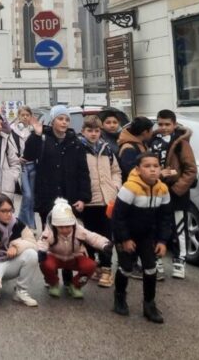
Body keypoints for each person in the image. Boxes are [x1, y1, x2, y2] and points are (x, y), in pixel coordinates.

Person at [112, 152, 173, 323]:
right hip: (127, 235)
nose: (152, 170)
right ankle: (119, 297)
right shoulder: (130, 188)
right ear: (138, 170)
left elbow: (165, 217)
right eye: (147, 166)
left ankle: (149, 304)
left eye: (156, 166)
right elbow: (118, 216)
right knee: (125, 267)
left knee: (150, 268)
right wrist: (124, 239)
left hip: (148, 237)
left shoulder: (163, 189)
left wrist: (162, 240)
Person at [148, 109, 197, 280]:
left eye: (167, 124)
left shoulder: (181, 143)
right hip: (156, 192)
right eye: (160, 124)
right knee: (155, 226)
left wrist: (177, 189)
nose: (164, 127)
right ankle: (157, 261)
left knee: (179, 228)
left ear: (174, 124)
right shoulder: (152, 141)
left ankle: (179, 260)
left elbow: (191, 170)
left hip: (177, 194)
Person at [37, 198, 111, 299]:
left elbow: (92, 237)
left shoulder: (78, 230)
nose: (65, 229)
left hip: (74, 257)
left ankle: (75, 285)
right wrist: (41, 251)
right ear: (55, 225)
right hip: (55, 257)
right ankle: (53, 283)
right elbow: (42, 242)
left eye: (68, 226)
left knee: (91, 265)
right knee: (45, 263)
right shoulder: (50, 232)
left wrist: (105, 244)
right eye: (61, 227)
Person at [79, 115, 121, 287]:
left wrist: (116, 186)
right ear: (83, 132)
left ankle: (106, 269)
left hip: (106, 200)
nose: (94, 134)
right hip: (89, 200)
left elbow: (116, 170)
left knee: (105, 236)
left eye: (96, 131)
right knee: (88, 236)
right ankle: (93, 265)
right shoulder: (79, 149)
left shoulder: (107, 149)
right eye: (90, 131)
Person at [33, 106, 91, 227]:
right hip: (48, 199)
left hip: (70, 199)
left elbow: (83, 173)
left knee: (70, 237)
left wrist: (83, 198)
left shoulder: (76, 143)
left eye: (67, 119)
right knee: (49, 236)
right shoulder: (43, 139)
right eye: (60, 118)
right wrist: (36, 135)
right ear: (53, 120)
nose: (64, 122)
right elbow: (29, 154)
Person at [11, 105, 43, 231]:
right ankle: (26, 225)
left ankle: (25, 225)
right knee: (27, 195)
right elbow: (10, 147)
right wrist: (16, 158)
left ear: (31, 116)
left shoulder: (34, 130)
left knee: (31, 198)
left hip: (33, 165)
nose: (25, 117)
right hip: (22, 166)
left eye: (27, 115)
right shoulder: (13, 130)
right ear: (18, 116)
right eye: (22, 115)